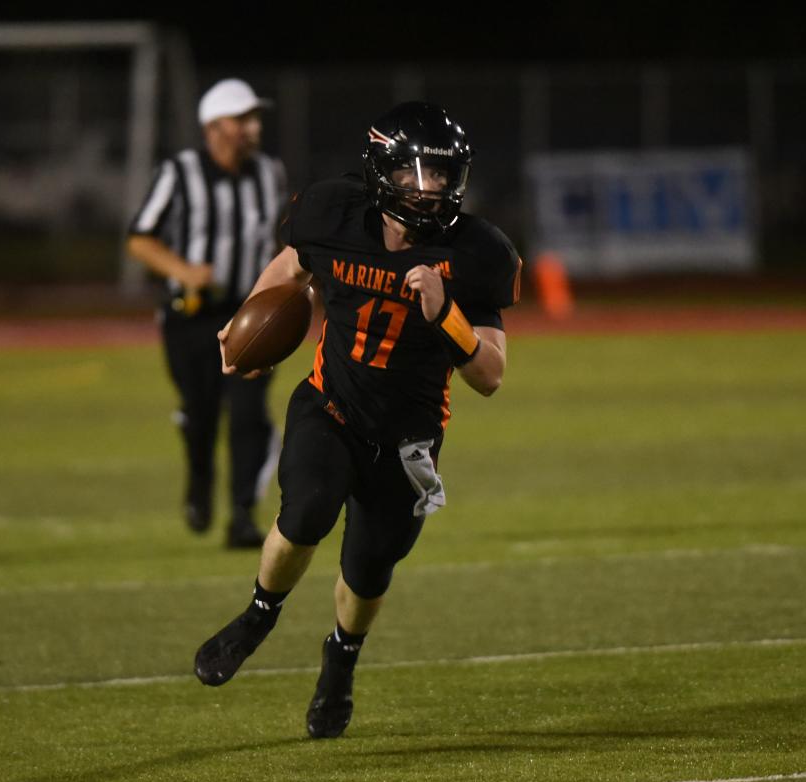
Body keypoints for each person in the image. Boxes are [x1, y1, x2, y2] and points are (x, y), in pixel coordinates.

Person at [192, 101, 522, 738]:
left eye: (441, 176)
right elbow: (294, 264)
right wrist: (247, 321)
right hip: (331, 404)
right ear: (382, 173)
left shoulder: (476, 252)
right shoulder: (333, 212)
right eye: (413, 175)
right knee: (307, 509)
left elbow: (491, 375)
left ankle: (339, 662)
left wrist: (446, 314)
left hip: (408, 439)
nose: (428, 191)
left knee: (368, 572)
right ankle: (259, 616)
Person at [127, 78, 287, 549]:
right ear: (214, 126)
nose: (252, 128)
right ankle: (199, 479)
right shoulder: (180, 172)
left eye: (254, 118)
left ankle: (242, 514)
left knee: (248, 413)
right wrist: (183, 270)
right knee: (200, 414)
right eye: (242, 119)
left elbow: (280, 241)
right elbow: (140, 237)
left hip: (247, 314)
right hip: (190, 316)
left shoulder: (269, 173)